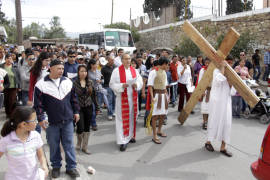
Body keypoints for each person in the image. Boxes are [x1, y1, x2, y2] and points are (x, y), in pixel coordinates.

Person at [33, 59, 80, 178]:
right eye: (59, 68)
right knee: (53, 145)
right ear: (51, 68)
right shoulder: (40, 84)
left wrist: (76, 111)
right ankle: (56, 166)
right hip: (51, 121)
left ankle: (71, 167)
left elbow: (74, 99)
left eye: (63, 68)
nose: (61, 71)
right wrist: (40, 118)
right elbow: (37, 105)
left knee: (68, 144)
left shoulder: (68, 82)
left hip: (68, 120)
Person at [0, 106, 49, 180]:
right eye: (34, 120)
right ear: (23, 124)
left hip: (34, 177)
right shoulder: (6, 141)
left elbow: (41, 155)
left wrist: (44, 167)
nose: (36, 122)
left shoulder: (36, 136)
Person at [109, 53, 143, 151]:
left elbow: (140, 80)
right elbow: (111, 84)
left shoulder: (134, 70)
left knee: (132, 117)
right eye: (126, 59)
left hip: (132, 98)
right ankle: (122, 141)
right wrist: (121, 86)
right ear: (122, 60)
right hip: (122, 99)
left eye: (129, 59)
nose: (128, 61)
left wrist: (136, 84)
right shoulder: (116, 71)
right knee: (121, 120)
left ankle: (130, 136)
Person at [205, 57, 234, 157]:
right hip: (217, 103)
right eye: (227, 62)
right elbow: (218, 80)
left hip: (226, 102)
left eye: (230, 63)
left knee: (226, 124)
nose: (228, 65)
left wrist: (231, 81)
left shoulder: (232, 74)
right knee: (214, 121)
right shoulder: (216, 71)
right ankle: (208, 142)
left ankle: (223, 147)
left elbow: (233, 89)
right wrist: (223, 67)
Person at [73, 65, 99, 155]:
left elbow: (94, 95)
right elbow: (75, 95)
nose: (84, 73)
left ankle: (85, 146)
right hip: (78, 107)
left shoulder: (90, 82)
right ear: (78, 72)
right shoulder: (74, 83)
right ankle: (79, 142)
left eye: (85, 71)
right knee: (80, 127)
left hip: (88, 106)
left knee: (87, 127)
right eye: (81, 71)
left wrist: (97, 107)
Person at [148, 57, 169, 144]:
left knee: (163, 115)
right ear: (163, 64)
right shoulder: (153, 72)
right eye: (167, 64)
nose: (167, 66)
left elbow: (165, 85)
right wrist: (152, 97)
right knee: (155, 116)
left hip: (163, 95)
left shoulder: (164, 72)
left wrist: (167, 96)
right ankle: (154, 135)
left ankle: (159, 130)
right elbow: (150, 85)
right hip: (156, 95)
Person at [0, 54, 21, 119]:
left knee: (12, 101)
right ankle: (7, 113)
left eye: (11, 59)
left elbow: (18, 77)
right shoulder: (1, 66)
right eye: (8, 58)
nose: (9, 60)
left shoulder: (15, 67)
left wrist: (19, 86)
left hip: (13, 86)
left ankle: (11, 114)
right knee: (6, 101)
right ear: (5, 59)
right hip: (4, 86)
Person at [197, 58, 211, 130]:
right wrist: (201, 91)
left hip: (212, 91)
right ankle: (204, 121)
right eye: (206, 63)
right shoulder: (202, 70)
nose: (207, 64)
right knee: (205, 108)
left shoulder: (214, 71)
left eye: (209, 63)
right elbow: (200, 81)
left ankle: (208, 121)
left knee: (210, 108)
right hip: (205, 91)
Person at [101, 54, 116, 120]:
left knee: (114, 100)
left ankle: (113, 111)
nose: (113, 61)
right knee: (109, 100)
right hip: (107, 86)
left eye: (113, 60)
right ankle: (109, 113)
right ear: (108, 60)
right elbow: (101, 77)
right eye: (112, 60)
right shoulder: (104, 68)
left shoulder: (115, 67)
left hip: (114, 86)